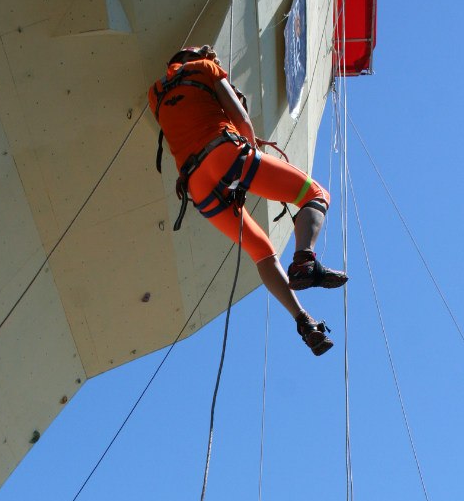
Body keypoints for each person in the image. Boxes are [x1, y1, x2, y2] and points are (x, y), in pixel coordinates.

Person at [149, 44, 347, 357]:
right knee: (315, 194)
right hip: (226, 154)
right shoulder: (206, 68)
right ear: (193, 58)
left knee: (262, 252)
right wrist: (253, 150)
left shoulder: (155, 93)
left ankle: (304, 321)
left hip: (197, 186)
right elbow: (240, 117)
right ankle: (305, 259)